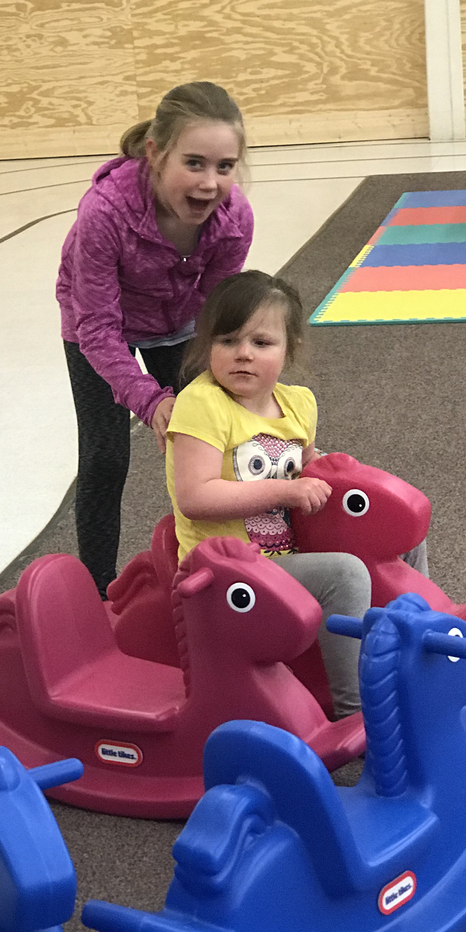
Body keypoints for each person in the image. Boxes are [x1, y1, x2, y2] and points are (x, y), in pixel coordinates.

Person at [56, 81, 254, 599]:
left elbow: (216, 316)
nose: (210, 183)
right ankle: (97, 592)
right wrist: (148, 401)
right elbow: (97, 324)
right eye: (194, 163)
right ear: (155, 153)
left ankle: (215, 566)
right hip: (97, 326)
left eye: (225, 167)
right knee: (105, 457)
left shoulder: (234, 221)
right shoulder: (104, 211)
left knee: (209, 444)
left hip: (181, 326)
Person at [165, 270, 372, 718]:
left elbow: (307, 469)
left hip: (280, 557)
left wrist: (335, 471)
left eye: (261, 343)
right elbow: (195, 498)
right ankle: (353, 710)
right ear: (206, 347)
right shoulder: (202, 404)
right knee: (347, 575)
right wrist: (286, 489)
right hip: (225, 572)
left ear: (289, 349)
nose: (242, 354)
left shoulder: (299, 403)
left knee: (386, 531)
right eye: (227, 341)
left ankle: (431, 636)